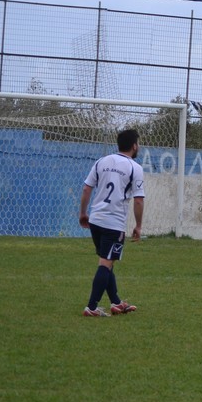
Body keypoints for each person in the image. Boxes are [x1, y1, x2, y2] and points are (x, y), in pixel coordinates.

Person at [78, 129, 144, 317]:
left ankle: (116, 303)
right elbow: (139, 200)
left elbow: (86, 189)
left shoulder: (102, 161)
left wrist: (83, 213)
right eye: (138, 143)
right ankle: (91, 307)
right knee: (105, 264)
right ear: (134, 146)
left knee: (107, 262)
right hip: (113, 224)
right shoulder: (135, 168)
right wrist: (138, 226)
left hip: (96, 221)